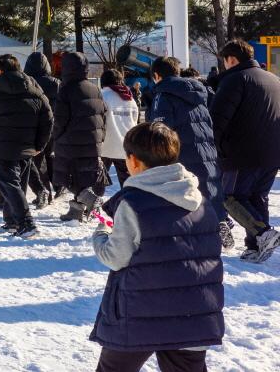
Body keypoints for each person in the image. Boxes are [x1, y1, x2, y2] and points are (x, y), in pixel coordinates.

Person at [89, 122, 224, 372]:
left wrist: (102, 231)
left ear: (134, 161)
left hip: (138, 315)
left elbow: (114, 257)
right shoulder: (199, 200)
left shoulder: (132, 203)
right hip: (193, 316)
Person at [0, 54, 53, 238]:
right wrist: (40, 144)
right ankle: (12, 220)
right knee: (18, 184)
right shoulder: (35, 89)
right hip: (27, 146)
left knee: (10, 185)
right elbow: (48, 119)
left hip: (2, 146)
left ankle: (26, 223)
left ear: (0, 70)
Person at [209, 39, 280, 263]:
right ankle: (255, 247)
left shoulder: (235, 80)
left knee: (232, 197)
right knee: (258, 197)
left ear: (231, 59)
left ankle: (262, 233)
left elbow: (217, 120)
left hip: (243, 152)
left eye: (225, 62)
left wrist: (217, 148)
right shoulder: (273, 79)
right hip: (273, 151)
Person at [149, 56, 224, 231]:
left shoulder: (163, 95)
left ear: (157, 75)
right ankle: (219, 221)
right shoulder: (200, 92)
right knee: (209, 187)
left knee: (187, 194)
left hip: (182, 153)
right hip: (207, 149)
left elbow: (161, 130)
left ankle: (199, 230)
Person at [53, 51, 108, 222]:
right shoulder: (95, 88)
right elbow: (104, 116)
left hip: (70, 143)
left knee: (69, 177)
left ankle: (91, 199)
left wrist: (55, 137)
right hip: (93, 141)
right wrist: (100, 137)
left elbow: (60, 119)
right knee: (84, 176)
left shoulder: (65, 89)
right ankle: (76, 211)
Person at [21, 51, 60, 208]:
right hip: (53, 125)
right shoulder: (57, 82)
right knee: (51, 158)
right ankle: (58, 186)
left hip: (32, 127)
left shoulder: (27, 82)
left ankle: (44, 193)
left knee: (37, 162)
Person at [99, 68, 139, 187]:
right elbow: (135, 121)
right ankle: (126, 204)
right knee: (127, 183)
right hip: (125, 147)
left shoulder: (102, 95)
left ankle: (94, 205)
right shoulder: (130, 98)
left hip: (105, 147)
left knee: (97, 182)